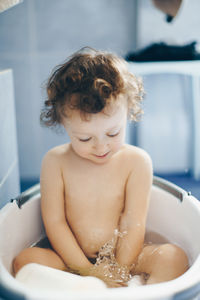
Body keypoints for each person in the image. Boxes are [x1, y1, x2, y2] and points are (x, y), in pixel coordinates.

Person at [12, 47, 188, 287]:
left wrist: (119, 271)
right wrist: (86, 270)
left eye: (113, 132)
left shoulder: (136, 162)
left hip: (126, 258)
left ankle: (130, 293)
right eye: (85, 139)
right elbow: (55, 223)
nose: (101, 146)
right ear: (63, 123)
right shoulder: (55, 162)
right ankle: (86, 288)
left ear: (128, 113)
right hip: (70, 260)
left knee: (173, 257)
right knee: (25, 261)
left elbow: (133, 221)